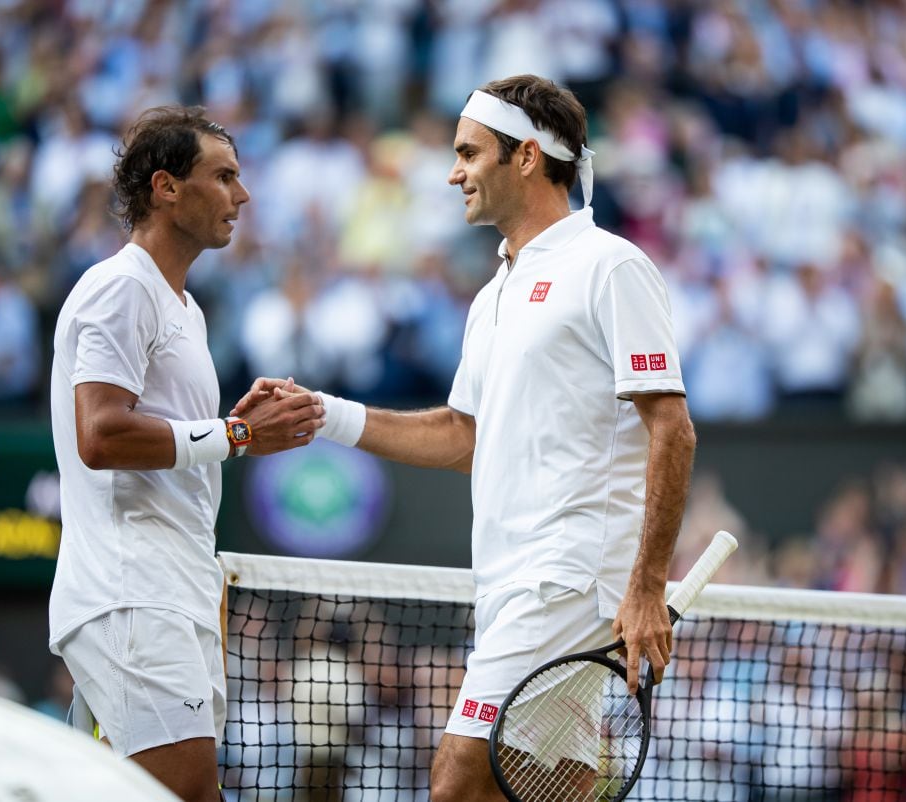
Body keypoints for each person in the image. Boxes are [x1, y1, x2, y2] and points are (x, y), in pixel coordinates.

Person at [234, 75, 696, 801]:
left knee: (455, 777)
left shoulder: (611, 265)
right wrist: (323, 413)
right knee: (553, 786)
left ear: (528, 157)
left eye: (468, 153)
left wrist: (645, 587)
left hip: (569, 577)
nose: (452, 172)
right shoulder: (492, 295)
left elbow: (672, 427)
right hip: (510, 581)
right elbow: (460, 437)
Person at [48, 106, 324, 802]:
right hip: (131, 590)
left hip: (176, 587)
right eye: (224, 176)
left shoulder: (185, 307)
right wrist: (235, 437)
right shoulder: (120, 287)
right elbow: (102, 434)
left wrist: (231, 426)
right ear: (166, 187)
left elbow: (169, 438)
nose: (243, 194)